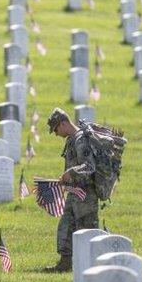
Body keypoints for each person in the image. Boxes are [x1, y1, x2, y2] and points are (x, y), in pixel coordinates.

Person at [46, 107, 99, 272]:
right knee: (66, 226)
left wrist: (71, 173)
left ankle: (92, 264)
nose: (55, 133)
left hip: (86, 195)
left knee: (87, 230)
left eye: (55, 129)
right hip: (75, 192)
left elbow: (89, 167)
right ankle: (65, 263)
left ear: (63, 123)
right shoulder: (72, 139)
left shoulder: (80, 140)